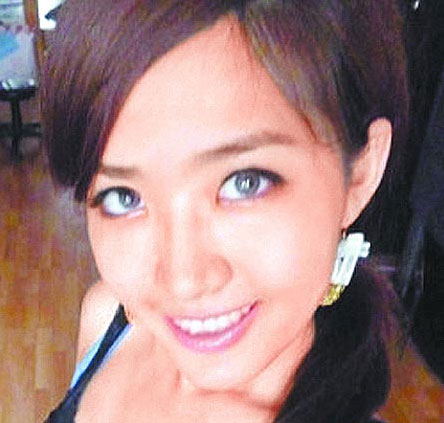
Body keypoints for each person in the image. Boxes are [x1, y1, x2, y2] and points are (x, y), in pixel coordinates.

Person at [42, 1, 409, 422]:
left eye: (244, 183)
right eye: (123, 197)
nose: (183, 281)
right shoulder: (107, 318)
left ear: (360, 174)